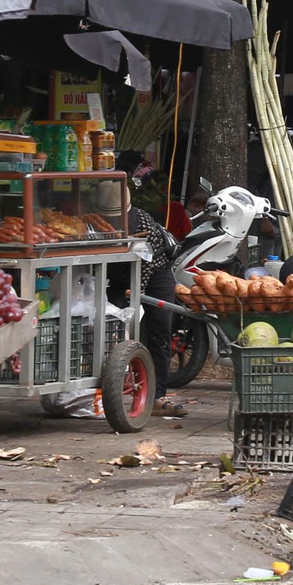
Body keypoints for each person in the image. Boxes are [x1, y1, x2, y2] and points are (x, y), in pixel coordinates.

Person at [113, 149, 184, 416]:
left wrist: (137, 296)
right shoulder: (101, 220)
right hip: (118, 274)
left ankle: (157, 395)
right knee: (114, 328)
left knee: (159, 331)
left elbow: (145, 266)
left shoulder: (138, 221)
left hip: (154, 271)